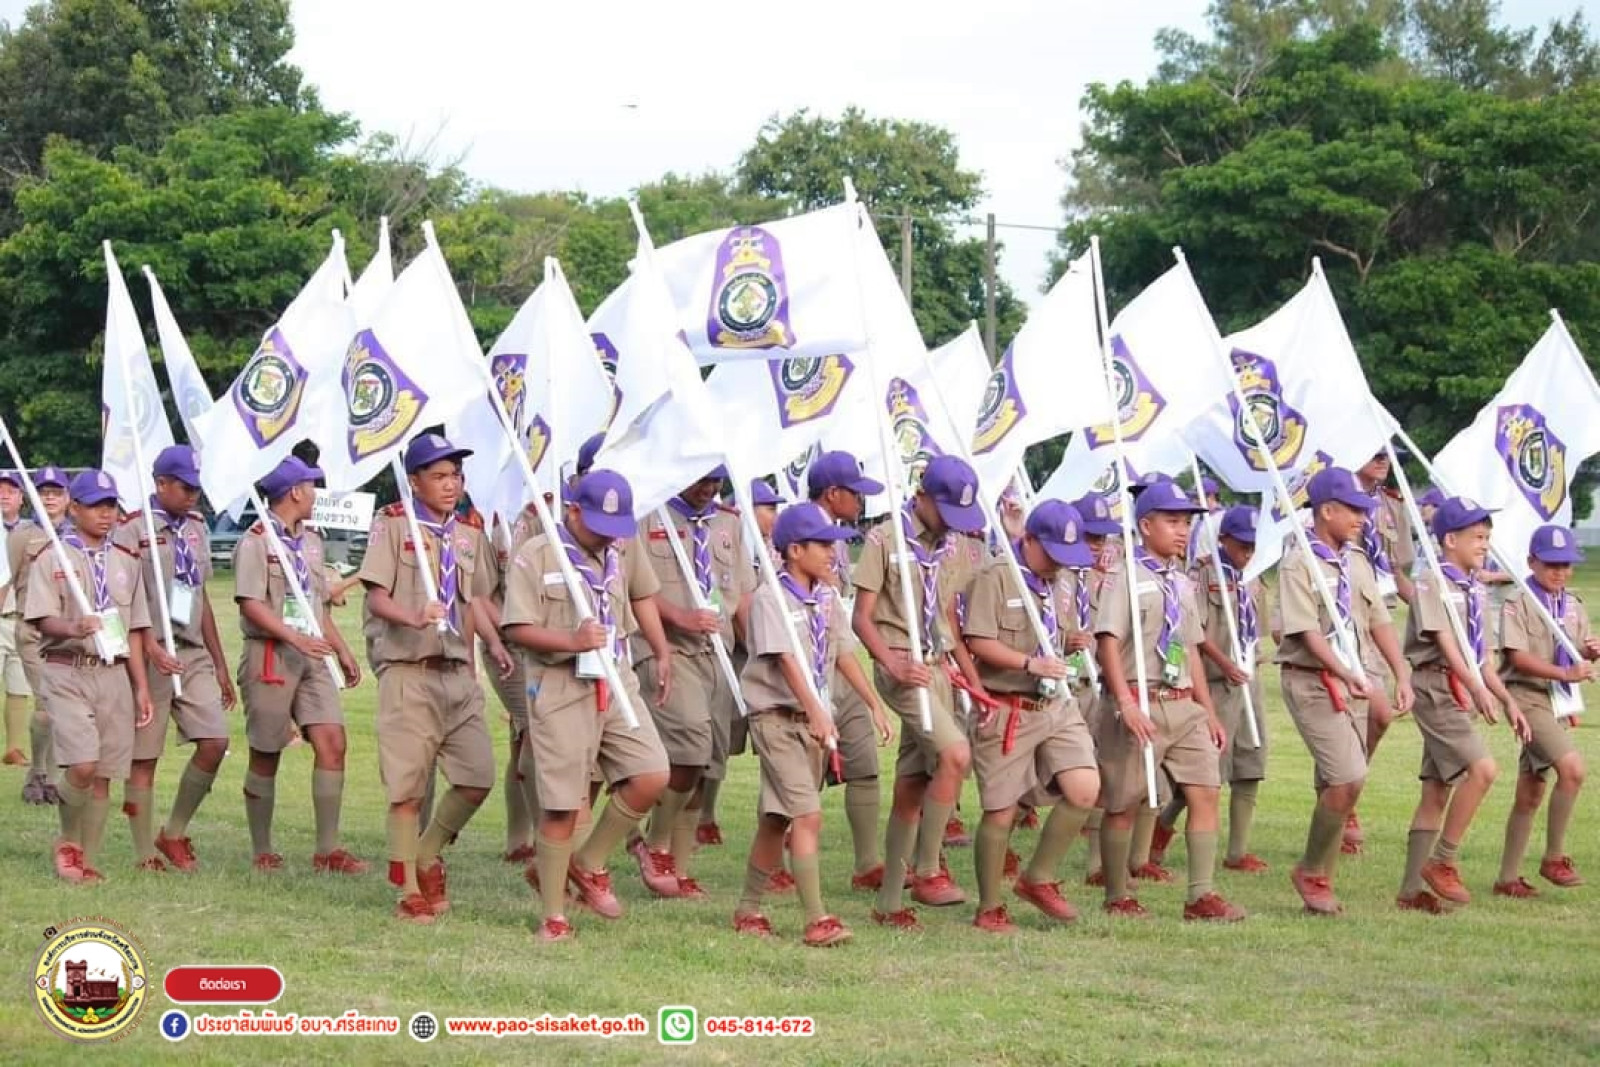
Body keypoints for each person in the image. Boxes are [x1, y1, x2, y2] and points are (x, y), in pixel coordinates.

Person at [501, 469, 675, 943]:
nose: (608, 536)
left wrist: (661, 651)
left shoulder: (619, 552)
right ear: (574, 511)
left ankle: (588, 862)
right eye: (599, 525)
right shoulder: (538, 554)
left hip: (615, 679)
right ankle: (554, 916)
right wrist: (571, 641)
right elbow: (516, 628)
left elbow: (638, 600)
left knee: (651, 773)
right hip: (559, 685)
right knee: (562, 805)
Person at [361, 433, 512, 922]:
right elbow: (376, 597)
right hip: (410, 671)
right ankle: (408, 889)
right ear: (415, 481)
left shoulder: (468, 532)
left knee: (477, 777)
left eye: (456, 476)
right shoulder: (393, 524)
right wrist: (413, 615)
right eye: (440, 476)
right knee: (407, 788)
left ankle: (426, 854)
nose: (451, 485)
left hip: (456, 672)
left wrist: (491, 644)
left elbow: (474, 599)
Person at [1093, 480, 1242, 922]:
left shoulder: (1181, 582)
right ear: (1145, 525)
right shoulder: (1125, 577)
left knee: (1206, 792)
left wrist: (1208, 711)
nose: (1182, 531)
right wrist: (1125, 702)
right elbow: (1107, 641)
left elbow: (1190, 647)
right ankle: (1117, 894)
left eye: (1187, 523)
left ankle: (1201, 895)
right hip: (1140, 700)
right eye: (1173, 521)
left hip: (1183, 703)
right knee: (1124, 802)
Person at [734, 503, 880, 946]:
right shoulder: (770, 598)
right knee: (806, 814)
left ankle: (747, 909)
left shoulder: (827, 596)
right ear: (795, 550)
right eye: (823, 545)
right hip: (777, 719)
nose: (833, 553)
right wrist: (816, 710)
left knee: (776, 819)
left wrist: (872, 702)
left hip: (812, 723)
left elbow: (843, 652)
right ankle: (817, 918)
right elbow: (786, 659)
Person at [854, 456, 988, 928]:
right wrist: (891, 663)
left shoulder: (954, 547)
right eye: (945, 511)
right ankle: (929, 868)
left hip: (936, 667)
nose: (952, 523)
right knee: (955, 754)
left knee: (912, 785)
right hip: (900, 665)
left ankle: (890, 902)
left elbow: (947, 615)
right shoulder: (884, 539)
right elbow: (861, 618)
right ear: (921, 497)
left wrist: (970, 678)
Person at [961, 500, 1101, 932]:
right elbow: (978, 639)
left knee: (1085, 788)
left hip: (1056, 704)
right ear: (1031, 540)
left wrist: (1072, 641)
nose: (1060, 564)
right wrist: (1029, 663)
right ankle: (989, 907)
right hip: (1009, 706)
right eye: (1054, 553)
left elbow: (1056, 632)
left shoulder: (1061, 582)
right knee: (1001, 811)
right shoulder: (996, 576)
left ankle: (1039, 877)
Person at [1277, 469, 1410, 915]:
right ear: (1327, 511)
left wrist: (1401, 672)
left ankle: (1322, 884)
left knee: (1341, 782)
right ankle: (1311, 871)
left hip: (1354, 676)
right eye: (1353, 510)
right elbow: (1308, 633)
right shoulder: (1299, 563)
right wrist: (1345, 672)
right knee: (1348, 778)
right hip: (1312, 679)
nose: (1362, 518)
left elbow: (1378, 620)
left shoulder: (1356, 560)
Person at [1396, 497, 1529, 913]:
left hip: (1460, 687)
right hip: (1437, 687)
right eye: (1477, 537)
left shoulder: (1475, 588)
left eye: (1487, 537)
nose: (1485, 544)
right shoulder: (1431, 580)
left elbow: (1481, 656)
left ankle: (1410, 892)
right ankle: (1443, 860)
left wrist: (1506, 698)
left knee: (1436, 791)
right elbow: (1445, 642)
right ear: (1449, 540)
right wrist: (1475, 687)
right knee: (1483, 769)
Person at [234, 456, 365, 875]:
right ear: (295, 492)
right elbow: (250, 603)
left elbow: (316, 602)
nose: (315, 494)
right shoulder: (256, 540)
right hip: (271, 655)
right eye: (311, 486)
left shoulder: (311, 540)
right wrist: (294, 638)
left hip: (312, 655)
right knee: (266, 751)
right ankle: (262, 849)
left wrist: (341, 649)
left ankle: (328, 849)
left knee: (333, 742)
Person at [26, 470, 154, 882]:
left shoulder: (126, 560)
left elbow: (135, 629)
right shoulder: (54, 557)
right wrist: (74, 627)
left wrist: (141, 687)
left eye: (111, 505)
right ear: (75, 508)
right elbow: (42, 618)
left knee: (103, 774)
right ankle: (68, 840)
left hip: (113, 672)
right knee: (82, 765)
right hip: (68, 669)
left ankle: (88, 862)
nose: (106, 513)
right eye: (96, 506)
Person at [115, 445, 233, 872]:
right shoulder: (132, 529)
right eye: (184, 487)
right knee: (144, 757)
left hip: (191, 650)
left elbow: (201, 597)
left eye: (196, 488)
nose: (192, 495)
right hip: (149, 651)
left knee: (215, 741)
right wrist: (150, 647)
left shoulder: (197, 527)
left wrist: (219, 663)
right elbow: (123, 601)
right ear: (160, 483)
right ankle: (144, 853)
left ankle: (174, 832)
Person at [1153, 505, 1269, 874]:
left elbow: (1258, 628)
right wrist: (1225, 663)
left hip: (1248, 681)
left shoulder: (1254, 576)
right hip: (1215, 683)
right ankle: (1159, 832)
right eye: (1242, 545)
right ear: (1224, 539)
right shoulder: (1203, 575)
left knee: (1250, 762)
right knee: (1204, 770)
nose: (1248, 552)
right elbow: (1195, 634)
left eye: (1253, 546)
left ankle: (1238, 851)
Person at [805, 451, 894, 889]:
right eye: (855, 493)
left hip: (842, 661)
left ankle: (867, 864)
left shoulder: (839, 540)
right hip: (807, 669)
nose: (861, 501)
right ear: (832, 493)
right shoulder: (799, 530)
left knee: (864, 763)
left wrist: (872, 700)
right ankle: (781, 862)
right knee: (801, 776)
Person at [1494, 525, 1597, 896]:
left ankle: (1507, 879)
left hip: (1556, 702)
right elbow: (1517, 657)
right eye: (1551, 564)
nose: (1560, 571)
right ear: (1531, 562)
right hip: (1526, 698)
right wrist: (1566, 673)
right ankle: (1554, 857)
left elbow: (1574, 649)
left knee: (1531, 790)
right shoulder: (1519, 602)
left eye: (1566, 564)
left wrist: (1589, 652)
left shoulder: (1572, 604)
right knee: (1573, 770)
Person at [697, 478, 786, 848]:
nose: (774, 516)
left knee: (761, 737)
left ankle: (708, 815)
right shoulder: (728, 536)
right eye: (768, 508)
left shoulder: (777, 548)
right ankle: (702, 813)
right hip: (736, 652)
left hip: (766, 650)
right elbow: (731, 599)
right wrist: (758, 646)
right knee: (719, 735)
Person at [9, 465, 70, 805]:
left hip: (66, 631)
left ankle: (50, 777)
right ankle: (40, 775)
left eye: (56, 492)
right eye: (43, 492)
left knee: (63, 704)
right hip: (33, 630)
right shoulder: (23, 535)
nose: (49, 498)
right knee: (46, 703)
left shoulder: (76, 535)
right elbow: (12, 576)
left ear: (68, 497)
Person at [1, 469, 33, 767]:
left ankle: (14, 748)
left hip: (21, 618)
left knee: (19, 687)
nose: (4, 495)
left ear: (21, 498)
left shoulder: (31, 531)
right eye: (0, 490)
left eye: (10, 491)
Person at [1355, 451, 1416, 605]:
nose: (1383, 460)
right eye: (1375, 455)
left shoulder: (1393, 504)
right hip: (1345, 600)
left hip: (1381, 605)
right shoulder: (1334, 503)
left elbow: (1396, 572)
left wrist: (1429, 609)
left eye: (1386, 455)